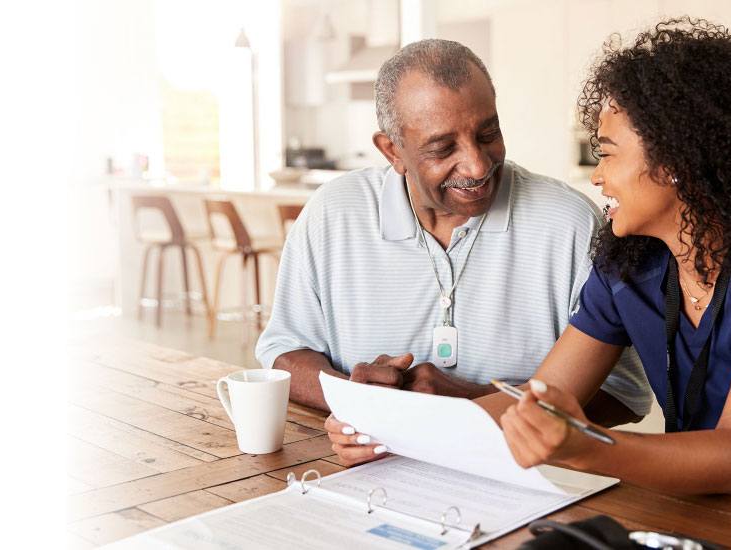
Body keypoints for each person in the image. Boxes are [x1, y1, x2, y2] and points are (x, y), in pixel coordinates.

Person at [328, 18, 731, 518]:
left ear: (677, 163)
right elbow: (534, 401)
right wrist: (385, 430)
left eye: (606, 153)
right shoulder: (625, 268)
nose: (597, 177)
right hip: (685, 510)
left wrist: (589, 447)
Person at [255, 39, 653, 426]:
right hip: (368, 469)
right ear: (392, 151)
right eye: (443, 148)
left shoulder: (571, 223)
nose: (478, 166)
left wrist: (468, 405)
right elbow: (284, 352)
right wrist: (363, 405)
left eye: (487, 134)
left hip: (528, 481)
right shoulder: (333, 213)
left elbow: (624, 394)